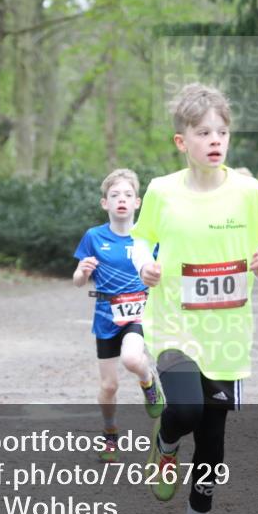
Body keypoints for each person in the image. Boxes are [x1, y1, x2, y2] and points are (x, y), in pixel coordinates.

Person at [130, 83, 258, 514]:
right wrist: (145, 265)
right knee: (183, 410)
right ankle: (165, 442)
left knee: (214, 439)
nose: (215, 140)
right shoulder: (161, 191)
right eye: (203, 132)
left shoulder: (250, 192)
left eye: (222, 131)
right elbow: (141, 239)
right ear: (183, 141)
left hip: (227, 336)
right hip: (175, 327)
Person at [73, 169, 165, 463]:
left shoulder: (149, 238)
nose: (121, 200)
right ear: (105, 203)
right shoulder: (93, 237)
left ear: (137, 202)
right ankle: (110, 434)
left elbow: (163, 274)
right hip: (106, 317)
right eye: (115, 196)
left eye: (127, 195)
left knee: (133, 359)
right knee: (108, 386)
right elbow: (77, 280)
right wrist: (82, 272)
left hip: (139, 314)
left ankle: (148, 382)